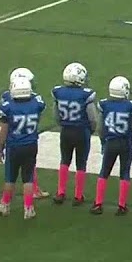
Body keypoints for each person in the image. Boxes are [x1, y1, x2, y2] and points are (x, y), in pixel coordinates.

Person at [0, 75, 44, 219]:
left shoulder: (9, 107)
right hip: (31, 144)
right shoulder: (36, 103)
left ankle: (5, 205)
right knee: (28, 178)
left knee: (10, 177)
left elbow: (4, 130)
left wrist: (0, 146)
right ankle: (28, 208)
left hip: (14, 146)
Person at [92, 76, 132, 215]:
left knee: (104, 172)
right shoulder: (131, 106)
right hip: (125, 143)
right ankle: (121, 206)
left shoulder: (105, 105)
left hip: (110, 142)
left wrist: (103, 141)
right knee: (124, 173)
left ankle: (98, 203)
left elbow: (100, 128)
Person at [52, 61, 97, 206]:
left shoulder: (59, 92)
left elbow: (56, 114)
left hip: (66, 131)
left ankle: (61, 192)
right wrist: (92, 129)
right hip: (81, 131)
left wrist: (63, 124)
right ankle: (78, 195)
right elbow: (92, 117)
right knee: (81, 163)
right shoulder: (85, 95)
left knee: (64, 160)